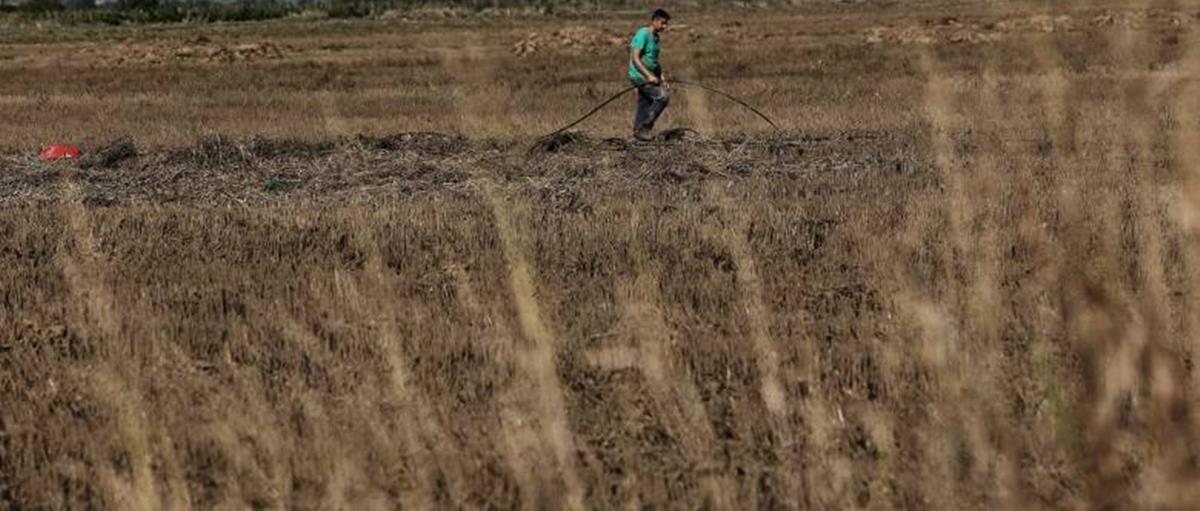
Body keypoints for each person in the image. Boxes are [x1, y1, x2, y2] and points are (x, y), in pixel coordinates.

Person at [628, 9, 671, 141]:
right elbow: (635, 58)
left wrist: (661, 78)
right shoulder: (643, 34)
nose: (665, 27)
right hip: (638, 76)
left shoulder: (656, 37)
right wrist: (648, 76)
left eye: (666, 24)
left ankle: (638, 132)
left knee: (645, 102)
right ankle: (645, 127)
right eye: (663, 23)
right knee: (663, 97)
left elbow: (653, 61)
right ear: (655, 21)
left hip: (651, 76)